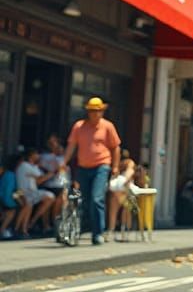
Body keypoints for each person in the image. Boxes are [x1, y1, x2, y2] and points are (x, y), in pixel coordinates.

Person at [64, 97, 121, 245]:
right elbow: (71, 146)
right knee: (85, 201)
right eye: (92, 111)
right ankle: (85, 227)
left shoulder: (108, 127)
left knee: (97, 199)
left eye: (98, 111)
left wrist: (115, 166)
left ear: (102, 112)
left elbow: (115, 147)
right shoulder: (79, 126)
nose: (95, 114)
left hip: (101, 166)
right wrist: (63, 162)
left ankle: (98, 233)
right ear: (88, 112)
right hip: (83, 168)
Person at [15, 147, 55, 236]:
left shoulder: (33, 166)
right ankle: (20, 228)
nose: (38, 156)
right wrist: (51, 173)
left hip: (31, 192)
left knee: (49, 197)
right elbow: (40, 178)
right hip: (25, 192)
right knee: (29, 204)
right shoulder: (25, 165)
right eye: (36, 154)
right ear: (31, 156)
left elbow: (38, 178)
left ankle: (28, 226)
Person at [38, 133, 68, 229]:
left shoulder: (63, 158)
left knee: (59, 205)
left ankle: (55, 225)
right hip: (48, 183)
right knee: (47, 205)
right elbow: (40, 168)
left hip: (60, 184)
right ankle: (46, 226)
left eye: (55, 142)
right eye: (51, 142)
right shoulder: (43, 156)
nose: (54, 144)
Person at [107, 155, 137, 239]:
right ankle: (124, 229)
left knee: (114, 208)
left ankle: (111, 230)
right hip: (123, 191)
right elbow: (126, 179)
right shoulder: (129, 165)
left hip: (119, 192)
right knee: (124, 209)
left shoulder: (119, 166)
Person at [1, 152, 24, 240]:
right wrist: (19, 199)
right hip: (7, 198)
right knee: (11, 213)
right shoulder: (12, 175)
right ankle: (3, 230)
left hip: (3, 197)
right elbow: (13, 190)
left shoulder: (6, 174)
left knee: (6, 214)